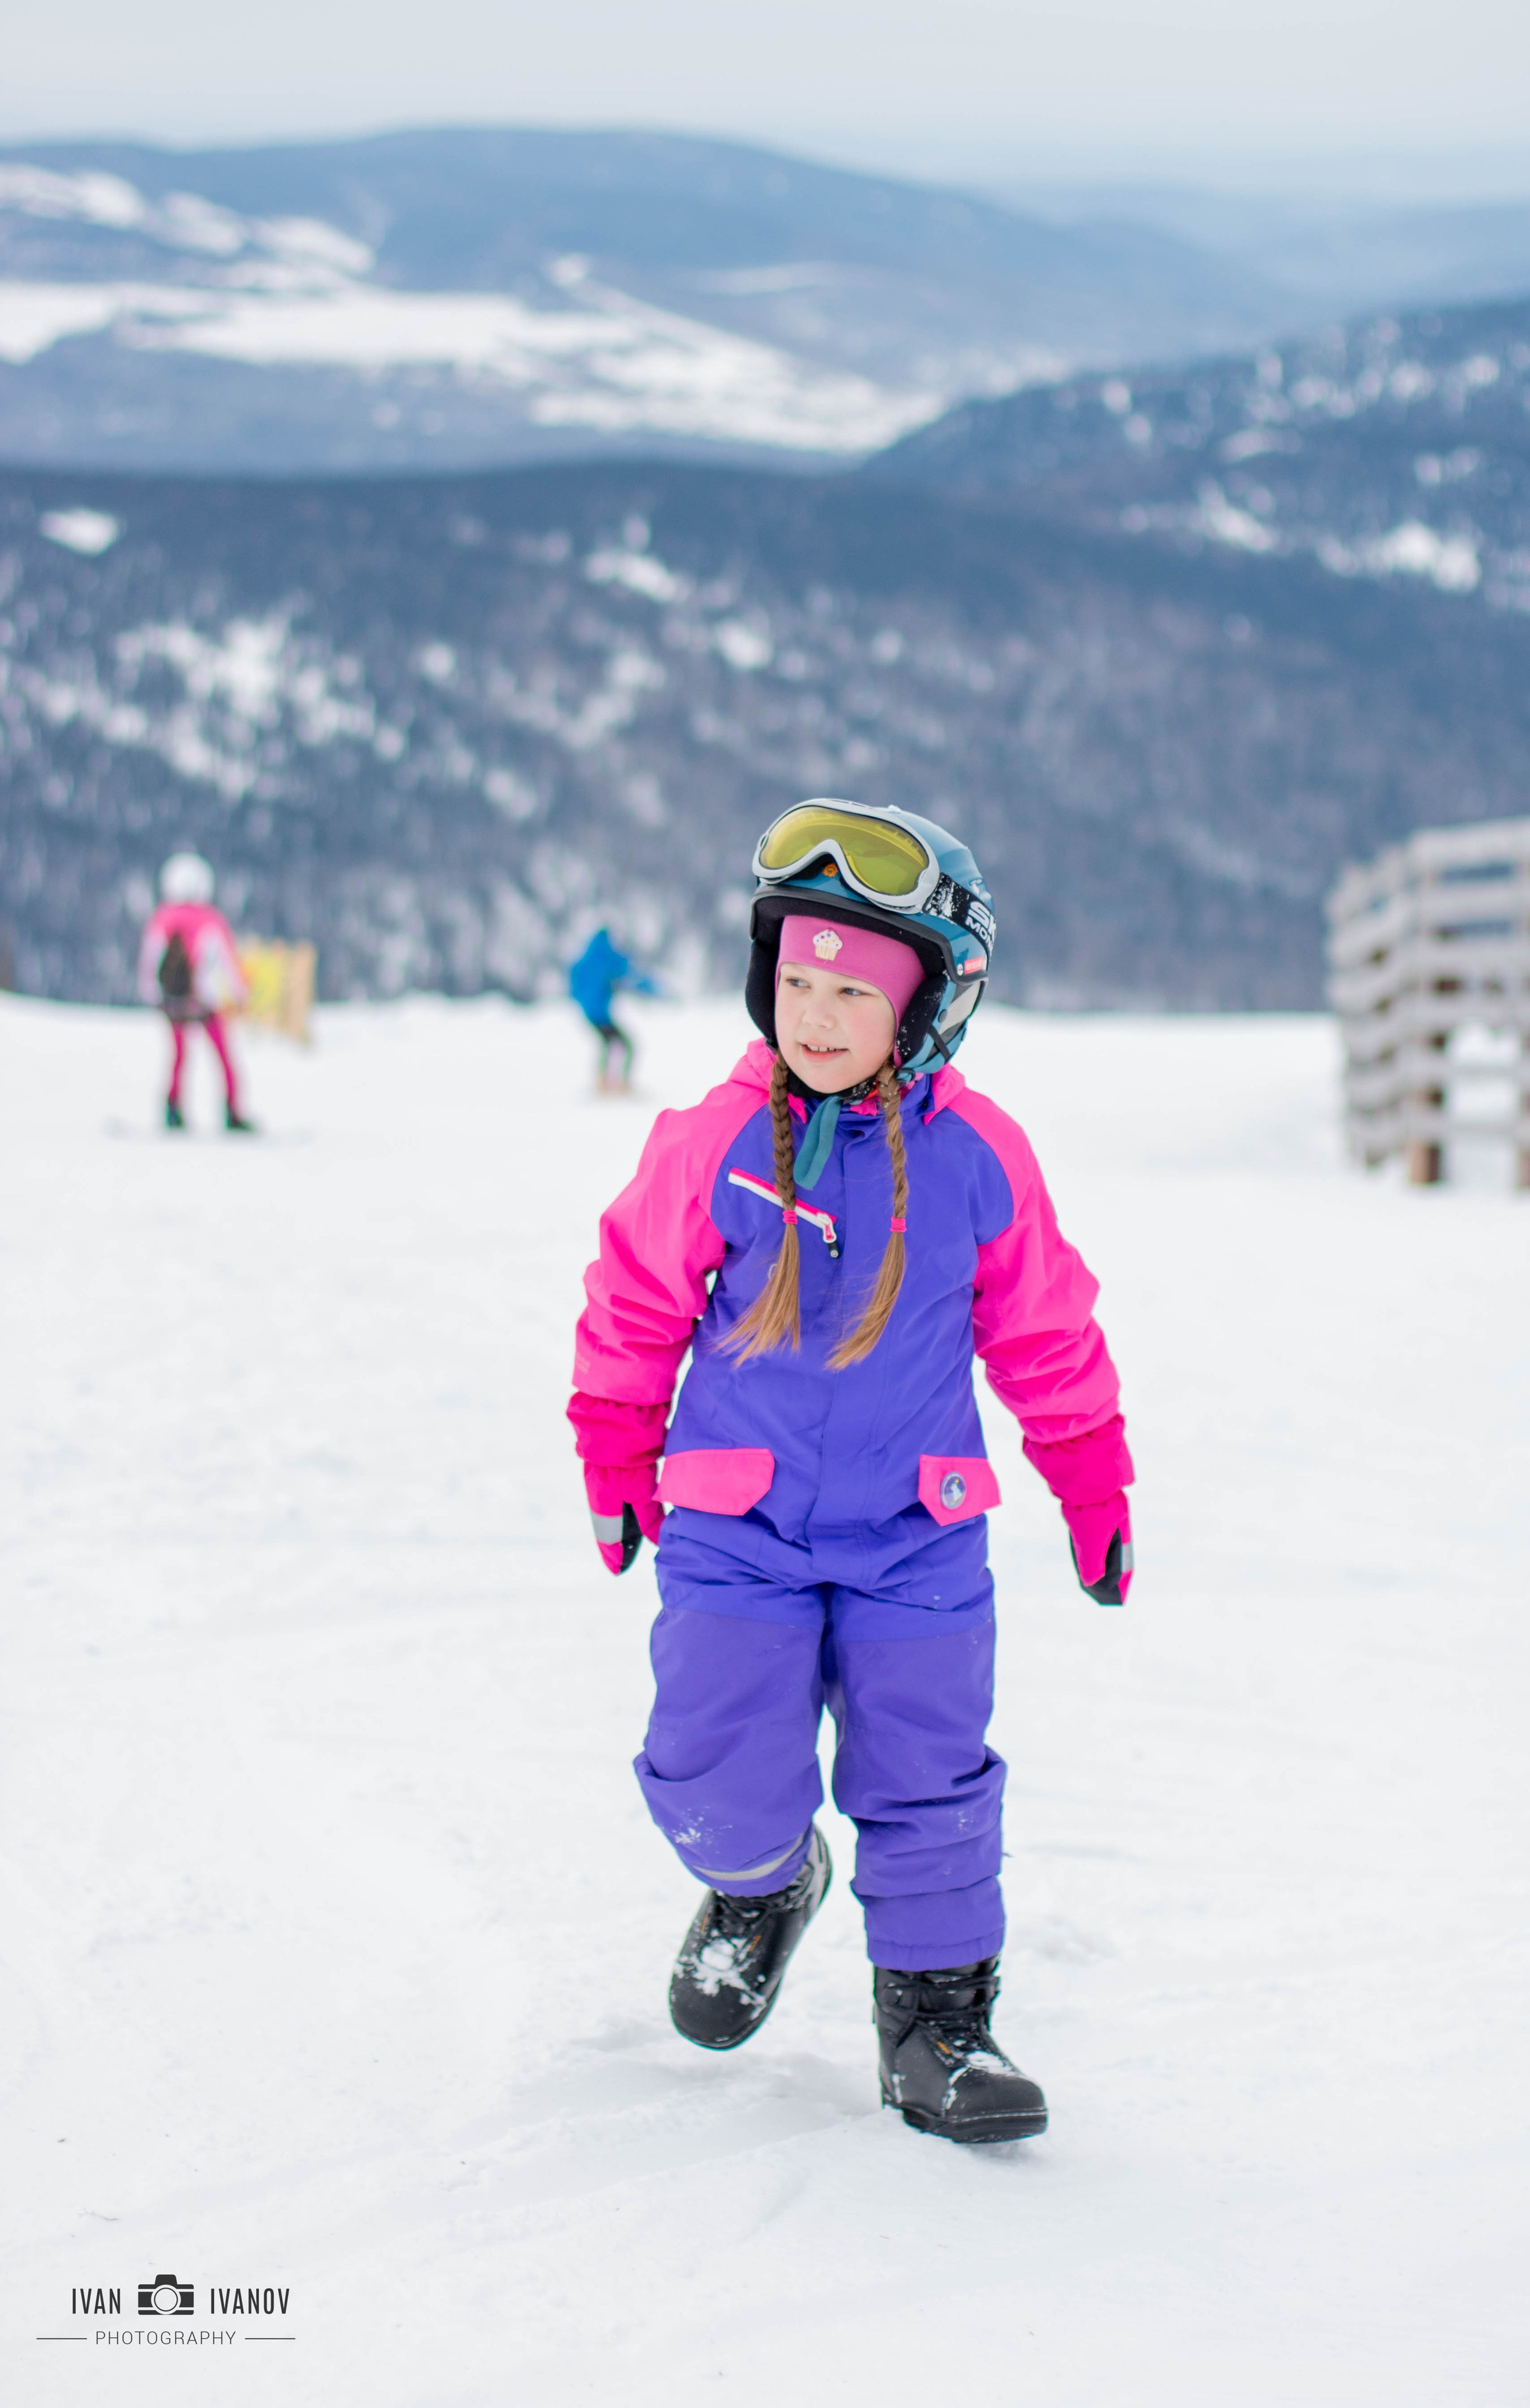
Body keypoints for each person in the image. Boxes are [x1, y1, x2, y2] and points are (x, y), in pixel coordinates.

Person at [568, 800, 1134, 2145]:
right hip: (734, 1524)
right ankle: (761, 1883)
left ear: (928, 1006)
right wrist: (613, 1448)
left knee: (928, 1775)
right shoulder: (712, 1142)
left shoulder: (973, 1158)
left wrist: (1091, 1479)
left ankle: (936, 2027)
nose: (815, 1016)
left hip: (914, 1534)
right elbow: (633, 1303)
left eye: (852, 992)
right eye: (797, 982)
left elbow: (1044, 1331)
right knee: (711, 1756)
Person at [136, 853, 253, 1132]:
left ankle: (173, 1109)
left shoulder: (162, 918)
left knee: (178, 1056)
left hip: (174, 1002)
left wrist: (152, 994)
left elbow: (150, 959)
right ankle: (232, 1111)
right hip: (204, 1000)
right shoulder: (211, 919)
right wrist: (239, 993)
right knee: (223, 1056)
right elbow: (226, 960)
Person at [567, 926, 659, 1094]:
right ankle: (622, 1084)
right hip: (601, 1013)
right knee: (628, 1045)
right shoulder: (605, 956)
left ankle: (602, 1082)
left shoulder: (585, 959)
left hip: (589, 1013)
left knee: (608, 1044)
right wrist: (655, 990)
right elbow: (627, 970)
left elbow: (573, 981)